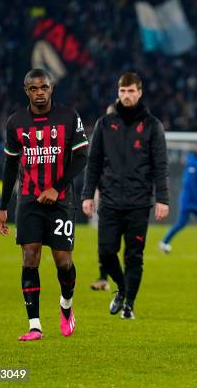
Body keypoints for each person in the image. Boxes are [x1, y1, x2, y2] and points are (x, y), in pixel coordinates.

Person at [0, 68, 89, 341]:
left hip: (61, 201)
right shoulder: (15, 123)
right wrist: (3, 207)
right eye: (34, 88)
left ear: (52, 89)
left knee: (63, 262)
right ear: (26, 91)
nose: (39, 92)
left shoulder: (69, 117)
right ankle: (34, 326)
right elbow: (10, 164)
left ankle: (66, 305)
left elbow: (81, 158)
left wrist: (56, 187)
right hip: (29, 201)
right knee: (30, 258)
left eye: (44, 87)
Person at [81, 72, 169, 320]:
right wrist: (88, 195)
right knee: (107, 252)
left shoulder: (152, 126)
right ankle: (122, 289)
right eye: (122, 91)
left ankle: (129, 303)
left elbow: (160, 166)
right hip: (108, 201)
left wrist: (162, 199)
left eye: (131, 91)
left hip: (139, 203)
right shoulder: (105, 124)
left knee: (134, 257)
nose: (126, 96)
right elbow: (94, 162)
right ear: (117, 93)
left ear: (140, 92)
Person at [159, 143, 197, 254]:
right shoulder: (193, 164)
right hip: (190, 201)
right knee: (181, 223)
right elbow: (189, 183)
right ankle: (164, 242)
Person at [89, 102, 116, 292]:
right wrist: (94, 192)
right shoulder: (103, 139)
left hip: (128, 199)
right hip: (106, 195)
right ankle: (103, 278)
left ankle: (125, 286)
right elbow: (94, 166)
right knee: (104, 240)